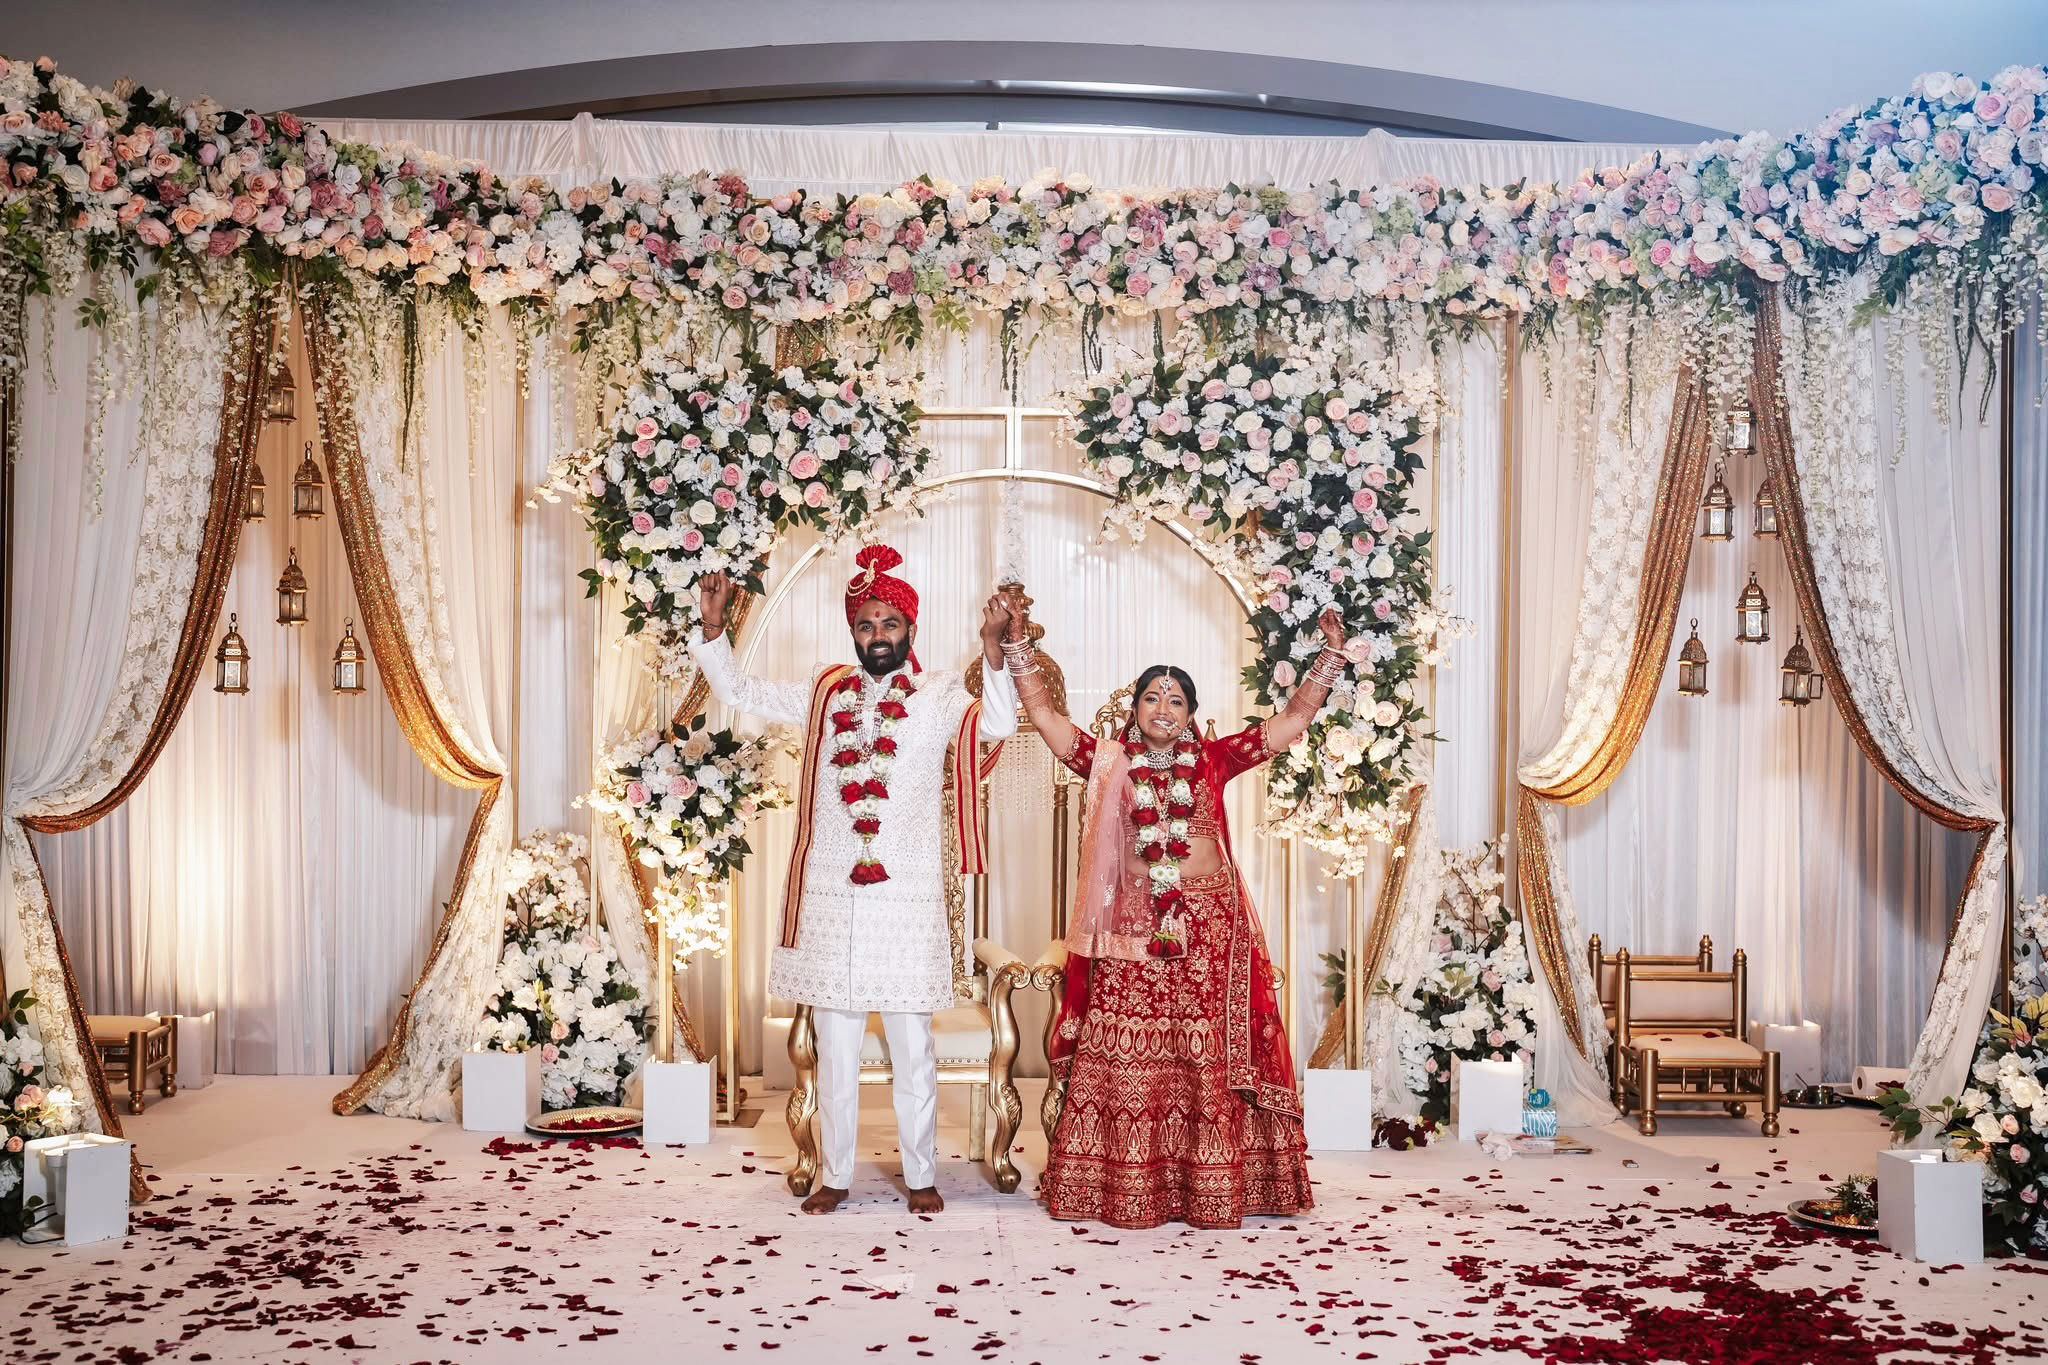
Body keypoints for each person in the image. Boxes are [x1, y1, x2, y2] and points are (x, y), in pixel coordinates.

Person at [1000, 597, 1349, 1229]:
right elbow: (1047, 717)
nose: (1163, 708)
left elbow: (1291, 720)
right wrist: (1018, 648)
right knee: (1129, 1050)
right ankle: (1122, 1179)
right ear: (1135, 709)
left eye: (1177, 700)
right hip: (1134, 929)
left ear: (1190, 715)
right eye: (1152, 698)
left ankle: (1210, 1181)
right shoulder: (1108, 762)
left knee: (1202, 1053)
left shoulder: (1214, 759)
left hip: (1209, 930)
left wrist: (1329, 656)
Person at [689, 545, 1018, 1214]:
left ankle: (920, 1173)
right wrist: (715, 629)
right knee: (835, 1048)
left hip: (907, 898)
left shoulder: (939, 694)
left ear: (910, 628)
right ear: (853, 632)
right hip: (831, 899)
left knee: (913, 1047)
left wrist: (992, 649)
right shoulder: (824, 691)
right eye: (866, 625)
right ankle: (835, 1175)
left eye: (889, 623)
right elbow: (742, 692)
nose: (877, 635)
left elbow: (1002, 722)